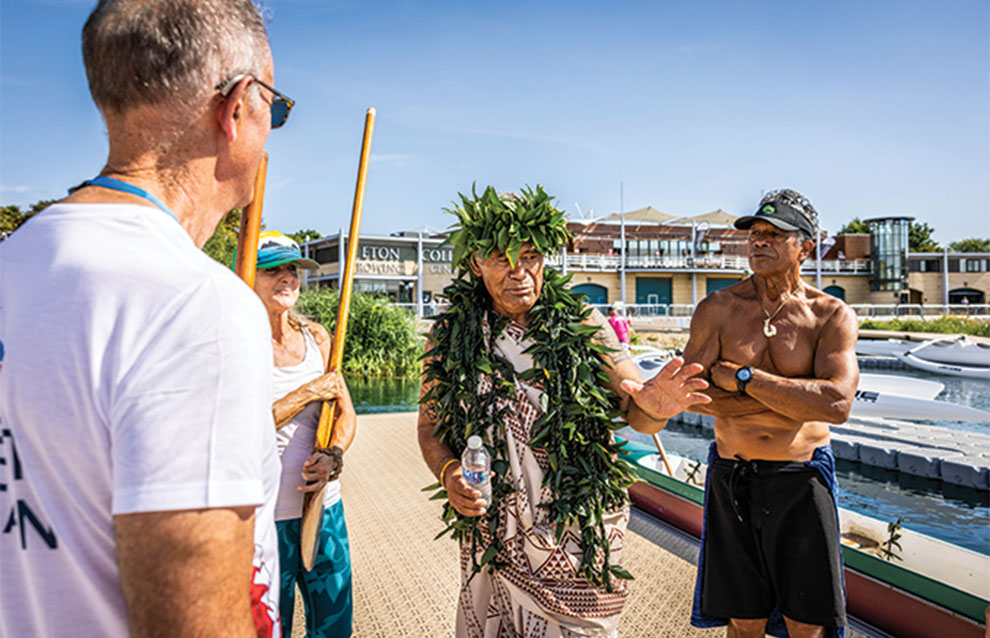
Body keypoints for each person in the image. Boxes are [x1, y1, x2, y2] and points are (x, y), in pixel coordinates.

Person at [0, 2, 292, 635]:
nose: (273, 128)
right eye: (278, 106)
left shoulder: (14, 262)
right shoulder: (194, 304)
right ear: (236, 107)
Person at [418, 185, 710, 637]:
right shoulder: (450, 336)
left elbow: (637, 408)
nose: (519, 272)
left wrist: (656, 408)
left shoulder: (585, 323)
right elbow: (430, 427)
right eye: (501, 258)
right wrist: (450, 473)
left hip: (576, 524)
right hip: (494, 527)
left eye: (530, 256)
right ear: (475, 263)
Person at [684, 189, 858, 638]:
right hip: (733, 476)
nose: (759, 242)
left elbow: (837, 404)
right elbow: (689, 393)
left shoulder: (829, 315)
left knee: (808, 624)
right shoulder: (718, 309)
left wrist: (744, 378)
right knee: (744, 620)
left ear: (806, 245)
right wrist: (795, 399)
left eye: (774, 234)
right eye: (755, 234)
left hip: (801, 479)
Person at [251, 230, 357, 637]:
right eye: (273, 270)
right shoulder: (237, 341)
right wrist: (307, 392)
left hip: (323, 509)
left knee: (334, 628)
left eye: (293, 270)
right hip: (264, 519)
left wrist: (334, 455)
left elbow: (346, 414)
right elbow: (237, 428)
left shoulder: (316, 337)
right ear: (247, 276)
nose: (287, 278)